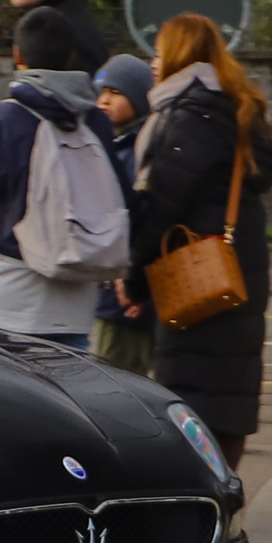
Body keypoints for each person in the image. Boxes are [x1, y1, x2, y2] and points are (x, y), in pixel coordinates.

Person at [126, 13, 272, 468]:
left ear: (180, 56)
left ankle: (207, 514)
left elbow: (164, 204)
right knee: (228, 398)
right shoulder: (230, 108)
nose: (153, 63)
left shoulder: (190, 116)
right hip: (236, 272)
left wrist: (134, 279)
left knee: (191, 405)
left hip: (196, 274)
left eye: (159, 53)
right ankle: (225, 506)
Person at [0, 8, 113, 348]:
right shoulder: (96, 124)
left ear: (17, 55)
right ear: (71, 58)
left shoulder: (1, 123)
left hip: (8, 304)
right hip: (76, 305)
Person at [90, 53, 156, 375]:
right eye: (101, 92)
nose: (104, 100)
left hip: (124, 295)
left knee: (117, 373)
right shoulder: (106, 144)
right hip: (107, 291)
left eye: (116, 93)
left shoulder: (136, 150)